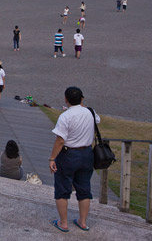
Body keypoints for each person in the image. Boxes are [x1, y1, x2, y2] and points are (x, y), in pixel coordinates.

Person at [49, 87, 98, 233]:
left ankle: (63, 223)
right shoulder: (90, 112)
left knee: (62, 188)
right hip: (87, 154)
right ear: (82, 98)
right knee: (84, 188)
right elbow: (97, 121)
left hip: (69, 155)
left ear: (66, 99)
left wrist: (52, 158)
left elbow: (60, 140)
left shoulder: (65, 116)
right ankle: (82, 222)